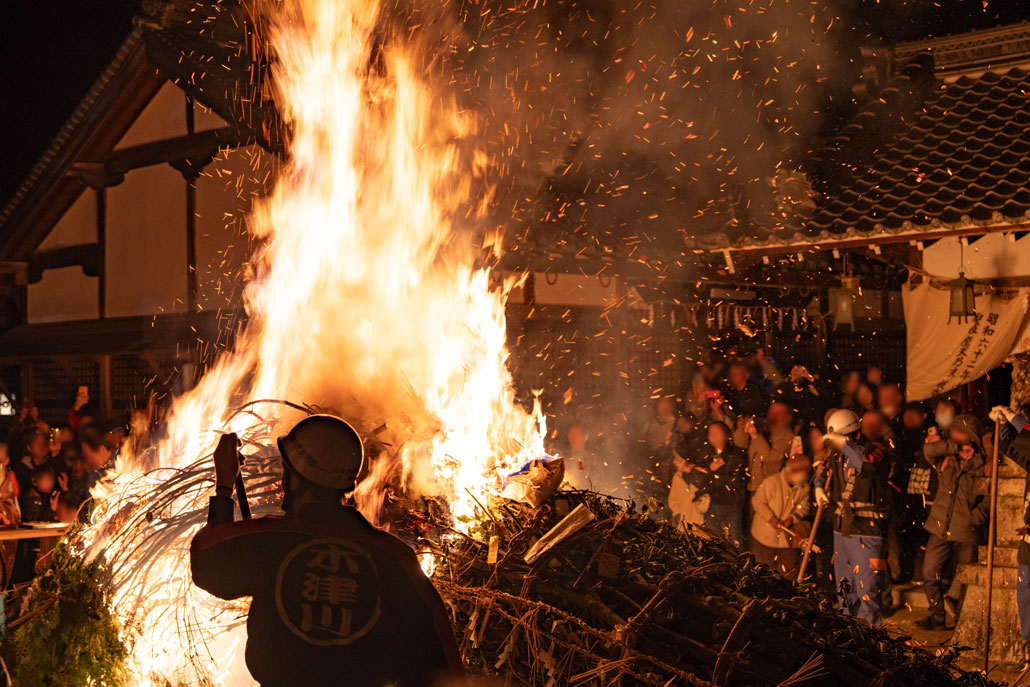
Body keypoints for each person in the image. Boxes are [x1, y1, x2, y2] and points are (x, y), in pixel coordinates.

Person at [190, 416, 464, 687]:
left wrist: (225, 488)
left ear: (296, 480)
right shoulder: (394, 558)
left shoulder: (272, 540)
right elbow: (441, 663)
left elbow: (210, 562)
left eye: (287, 471)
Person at [816, 408, 890, 626]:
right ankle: (847, 636)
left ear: (856, 434)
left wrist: (845, 446)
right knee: (845, 591)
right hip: (842, 532)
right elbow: (820, 471)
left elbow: (869, 467)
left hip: (867, 533)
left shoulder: (876, 449)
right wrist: (818, 487)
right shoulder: (836, 455)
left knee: (867, 590)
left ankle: (871, 638)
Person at [916, 414, 988, 630]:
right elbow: (928, 450)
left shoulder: (984, 464)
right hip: (939, 527)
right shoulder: (948, 458)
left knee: (965, 578)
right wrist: (953, 447)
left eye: (961, 432)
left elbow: (989, 500)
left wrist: (974, 518)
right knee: (929, 573)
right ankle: (937, 616)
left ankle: (961, 621)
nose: (956, 435)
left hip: (967, 531)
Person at [991, 404, 1030, 656]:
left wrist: (1014, 418)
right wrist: (1004, 425)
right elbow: (1010, 448)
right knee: (1026, 596)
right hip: (1028, 541)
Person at [751, 452, 811, 577]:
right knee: (764, 572)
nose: (803, 478)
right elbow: (757, 502)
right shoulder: (771, 482)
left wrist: (792, 518)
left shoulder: (804, 488)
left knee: (791, 570)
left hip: (786, 538)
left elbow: (805, 507)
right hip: (765, 536)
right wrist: (771, 518)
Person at [686, 421, 747, 547]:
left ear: (726, 435)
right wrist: (710, 470)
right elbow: (696, 479)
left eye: (717, 432)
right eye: (711, 432)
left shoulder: (735, 454)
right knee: (713, 542)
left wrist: (713, 475)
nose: (713, 435)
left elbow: (736, 480)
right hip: (711, 505)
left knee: (734, 543)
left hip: (731, 504)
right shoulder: (705, 455)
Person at [891, 403, 930, 585]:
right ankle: (905, 571)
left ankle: (920, 572)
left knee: (921, 532)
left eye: (913, 415)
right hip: (902, 491)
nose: (909, 419)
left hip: (922, 491)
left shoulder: (926, 437)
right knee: (905, 533)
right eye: (907, 415)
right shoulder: (900, 438)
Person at [735, 402, 795, 495]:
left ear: (788, 417)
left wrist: (755, 436)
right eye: (771, 411)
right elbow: (739, 442)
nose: (773, 415)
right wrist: (744, 430)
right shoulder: (760, 427)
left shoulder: (787, 437)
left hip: (770, 489)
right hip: (752, 485)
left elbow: (771, 457)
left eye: (778, 413)